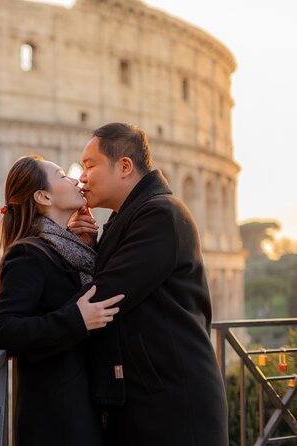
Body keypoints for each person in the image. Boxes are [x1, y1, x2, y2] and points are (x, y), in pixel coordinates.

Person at [70, 123, 228, 445]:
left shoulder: (160, 215)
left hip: (173, 406)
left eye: (89, 165)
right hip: (151, 397)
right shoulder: (129, 216)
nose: (81, 177)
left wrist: (38, 325)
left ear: (125, 167)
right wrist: (87, 245)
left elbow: (106, 296)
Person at [0, 155, 124, 446]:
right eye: (63, 176)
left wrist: (88, 247)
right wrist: (77, 319)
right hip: (55, 417)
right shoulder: (28, 254)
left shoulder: (66, 249)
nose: (76, 180)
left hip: (78, 407)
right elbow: (1, 330)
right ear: (43, 195)